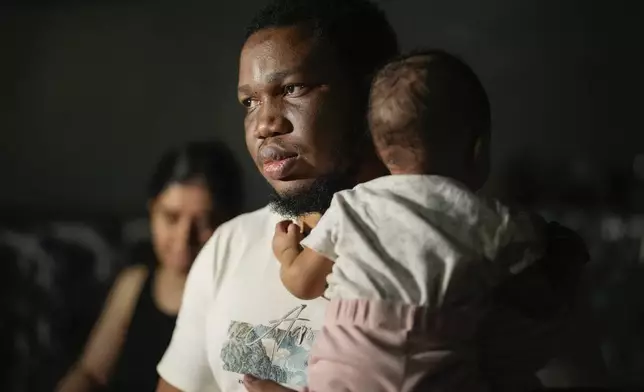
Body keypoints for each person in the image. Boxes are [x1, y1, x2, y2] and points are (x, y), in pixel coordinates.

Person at [156, 1, 606, 392]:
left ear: (370, 95)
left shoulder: (485, 252)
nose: (264, 124)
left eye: (292, 89)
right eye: (249, 102)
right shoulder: (228, 246)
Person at [271, 50, 561, 391]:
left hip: (351, 361)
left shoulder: (354, 204)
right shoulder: (494, 221)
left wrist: (287, 252)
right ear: (478, 148)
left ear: (381, 151)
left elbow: (302, 283)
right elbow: (539, 295)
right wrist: (559, 251)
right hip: (441, 360)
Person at [56, 141, 244, 392]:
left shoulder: (239, 300)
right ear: (152, 211)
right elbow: (90, 372)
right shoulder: (133, 284)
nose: (183, 237)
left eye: (205, 222)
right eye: (171, 217)